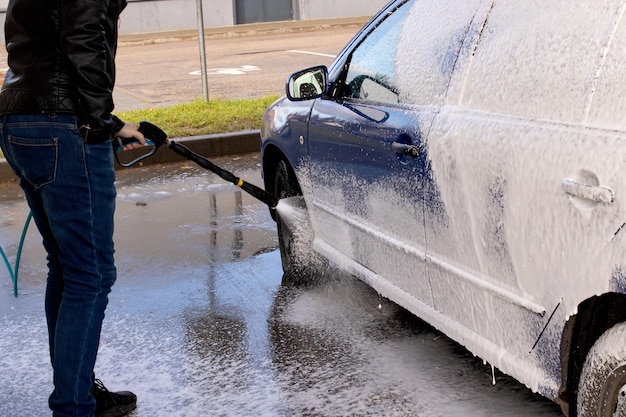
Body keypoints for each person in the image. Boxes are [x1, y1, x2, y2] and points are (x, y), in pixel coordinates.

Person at [0, 0, 145, 416]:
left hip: (21, 118)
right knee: (91, 273)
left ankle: (77, 390)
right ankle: (72, 405)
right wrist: (102, 121)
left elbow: (49, 40)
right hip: (65, 125)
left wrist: (113, 125)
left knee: (66, 267)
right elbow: (82, 41)